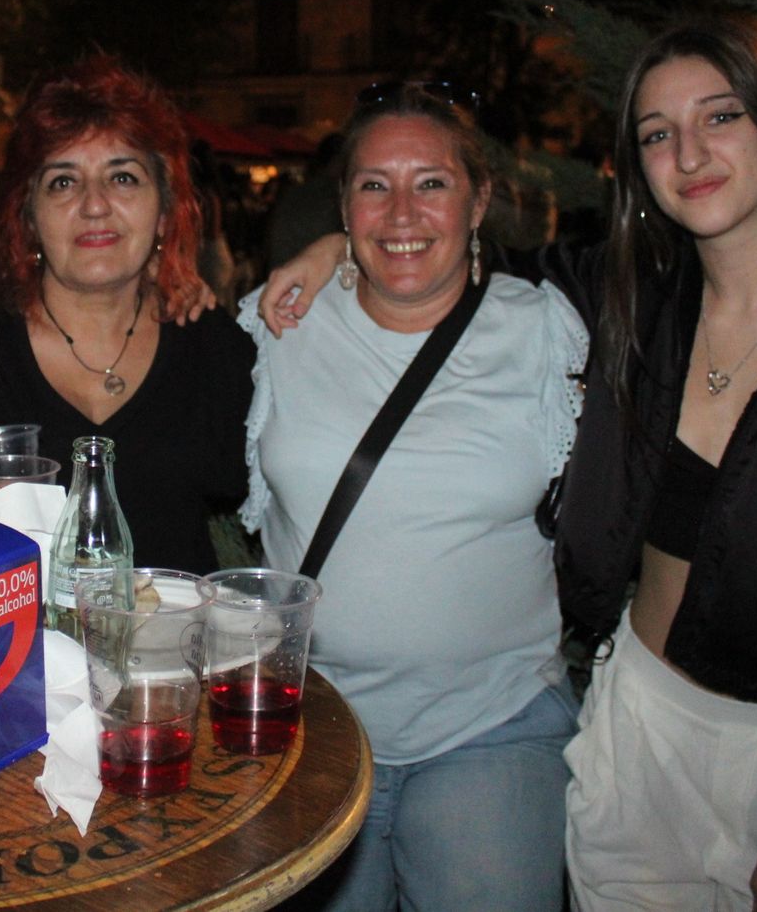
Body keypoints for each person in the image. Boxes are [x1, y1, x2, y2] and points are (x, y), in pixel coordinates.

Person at [262, 18, 757, 911]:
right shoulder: (636, 301)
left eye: (722, 118)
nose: (690, 152)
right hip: (637, 726)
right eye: (658, 133)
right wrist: (330, 250)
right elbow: (442, 263)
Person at [242, 81, 587, 911]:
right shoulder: (279, 322)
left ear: (480, 202)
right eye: (374, 185)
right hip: (309, 728)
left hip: (491, 722)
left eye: (431, 182)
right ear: (343, 205)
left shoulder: (546, 329)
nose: (402, 212)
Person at [0, 55, 254, 575]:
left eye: (124, 178)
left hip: (182, 651)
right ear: (29, 217)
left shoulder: (213, 347)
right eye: (63, 182)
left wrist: (339, 252)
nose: (95, 205)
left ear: (163, 211)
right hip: (16, 654)